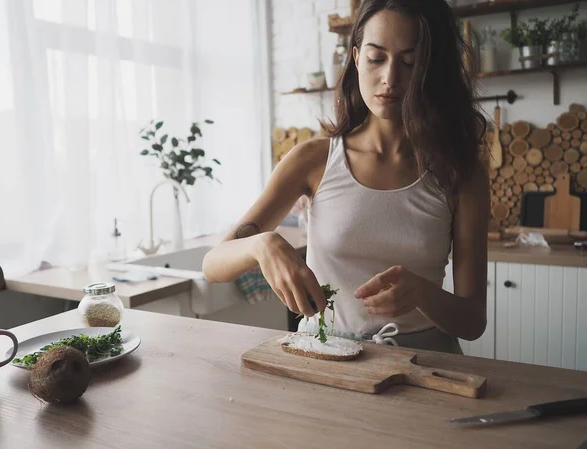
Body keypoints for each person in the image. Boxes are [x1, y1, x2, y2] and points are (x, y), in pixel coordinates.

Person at [202, 0, 489, 354]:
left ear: (431, 69)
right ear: (355, 58)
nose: (389, 78)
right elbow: (213, 265)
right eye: (376, 58)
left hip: (427, 363)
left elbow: (473, 320)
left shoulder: (462, 171)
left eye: (409, 62)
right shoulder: (313, 159)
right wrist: (263, 244)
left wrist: (421, 293)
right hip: (323, 354)